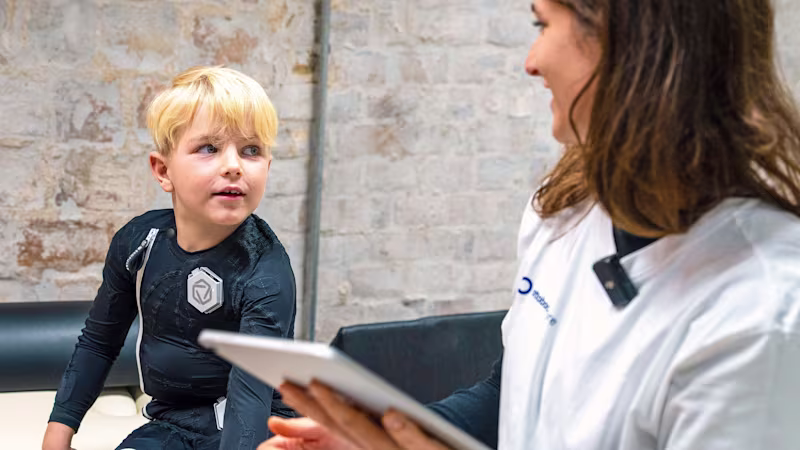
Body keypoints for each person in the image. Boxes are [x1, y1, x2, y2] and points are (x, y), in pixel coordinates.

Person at [258, 0, 800, 448]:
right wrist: (383, 436)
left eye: (541, 25)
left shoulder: (760, 316)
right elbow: (511, 397)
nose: (531, 62)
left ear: (631, 44)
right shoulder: (564, 208)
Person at [42, 66, 297, 450]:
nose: (234, 165)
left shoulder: (266, 271)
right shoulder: (139, 244)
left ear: (268, 168)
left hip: (262, 427)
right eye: (209, 148)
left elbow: (250, 398)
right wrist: (57, 434)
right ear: (163, 171)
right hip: (171, 423)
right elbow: (99, 341)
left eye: (251, 150)